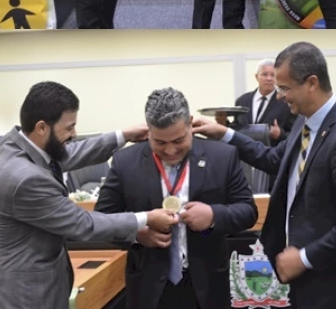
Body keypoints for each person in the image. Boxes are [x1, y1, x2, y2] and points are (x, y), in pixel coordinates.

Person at [0, 81, 179, 308]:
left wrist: (122, 136)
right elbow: (83, 224)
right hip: (24, 295)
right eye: (69, 128)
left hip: (30, 283)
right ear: (42, 127)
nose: (74, 134)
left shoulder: (16, 143)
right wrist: (146, 218)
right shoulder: (24, 178)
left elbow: (68, 154)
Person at [192, 41, 336, 308]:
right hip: (300, 277)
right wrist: (226, 134)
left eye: (285, 88)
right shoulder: (305, 120)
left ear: (312, 83)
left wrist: (303, 258)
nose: (279, 96)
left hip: (331, 282)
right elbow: (273, 159)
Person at [96, 88, 257, 309]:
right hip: (148, 287)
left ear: (190, 125)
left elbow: (248, 211)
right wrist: (136, 232)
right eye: (160, 143)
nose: (170, 150)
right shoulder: (125, 162)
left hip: (208, 284)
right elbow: (102, 218)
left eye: (179, 140)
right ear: (148, 131)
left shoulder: (222, 156)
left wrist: (213, 215)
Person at [232, 58, 295, 145]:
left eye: (273, 75)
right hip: (243, 154)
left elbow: (295, 133)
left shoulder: (286, 102)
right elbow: (237, 127)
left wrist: (280, 134)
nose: (269, 78)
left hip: (272, 154)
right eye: (264, 74)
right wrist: (224, 123)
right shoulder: (242, 101)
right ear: (256, 77)